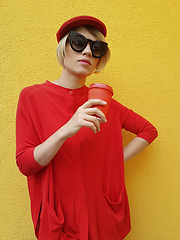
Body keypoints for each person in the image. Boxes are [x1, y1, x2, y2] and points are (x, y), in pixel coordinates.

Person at [16, 16, 158, 240]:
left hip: (102, 217)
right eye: (79, 42)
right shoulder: (32, 97)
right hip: (59, 219)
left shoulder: (105, 103)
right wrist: (66, 130)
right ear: (64, 48)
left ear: (99, 59)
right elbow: (26, 164)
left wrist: (114, 161)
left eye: (97, 47)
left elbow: (148, 130)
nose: (88, 52)